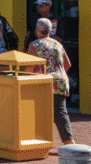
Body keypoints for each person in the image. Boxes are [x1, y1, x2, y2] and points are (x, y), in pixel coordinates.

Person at [27, 18, 75, 147]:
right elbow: (68, 64)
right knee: (60, 112)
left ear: (37, 30)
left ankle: (42, 140)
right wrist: (56, 72)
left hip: (43, 82)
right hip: (60, 80)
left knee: (40, 112)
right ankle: (68, 140)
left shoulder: (34, 45)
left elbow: (30, 67)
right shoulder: (58, 44)